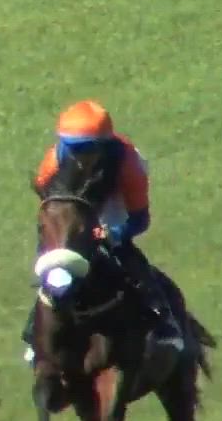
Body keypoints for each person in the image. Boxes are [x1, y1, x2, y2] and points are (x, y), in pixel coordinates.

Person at [24, 100, 180, 362]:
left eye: (88, 150)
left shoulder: (128, 164)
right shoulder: (53, 163)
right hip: (74, 209)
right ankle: (33, 333)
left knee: (123, 254)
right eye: (75, 149)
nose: (81, 158)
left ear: (103, 147)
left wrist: (116, 233)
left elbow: (140, 218)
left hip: (112, 207)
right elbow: (48, 207)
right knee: (53, 264)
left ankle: (163, 318)